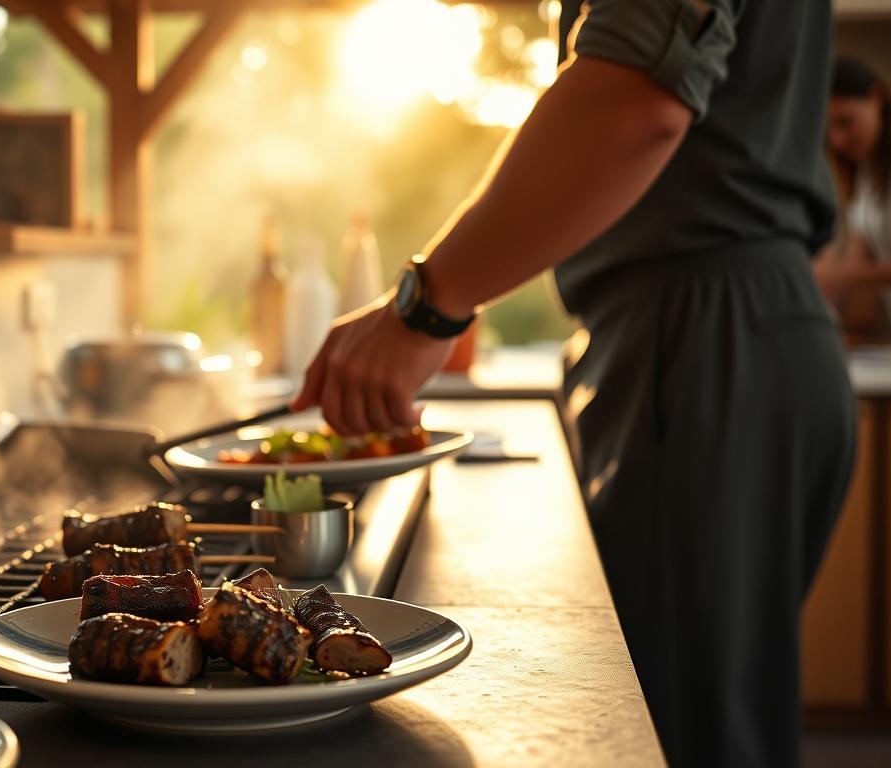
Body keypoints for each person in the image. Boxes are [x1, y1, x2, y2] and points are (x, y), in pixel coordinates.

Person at [291, 1, 856, 766]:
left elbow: (636, 102)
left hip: (699, 335)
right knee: (721, 717)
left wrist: (424, 309)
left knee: (684, 734)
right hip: (736, 328)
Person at [815, 56, 891, 342]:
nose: (838, 141)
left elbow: (852, 272)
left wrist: (845, 277)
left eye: (846, 122)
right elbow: (859, 248)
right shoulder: (868, 172)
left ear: (877, 98)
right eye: (830, 130)